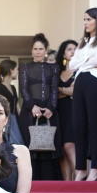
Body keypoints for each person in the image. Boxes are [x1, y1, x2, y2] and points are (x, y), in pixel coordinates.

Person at [67, 9, 97, 181]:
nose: (85, 23)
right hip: (80, 81)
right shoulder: (83, 41)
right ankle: (81, 169)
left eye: (88, 19)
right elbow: (72, 65)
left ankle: (95, 167)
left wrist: (86, 63)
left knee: (95, 125)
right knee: (78, 125)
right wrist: (89, 62)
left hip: (96, 82)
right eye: (84, 19)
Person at [18, 34, 60, 181]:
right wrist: (32, 107)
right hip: (30, 111)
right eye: (35, 49)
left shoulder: (53, 68)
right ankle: (30, 181)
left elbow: (54, 89)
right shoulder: (25, 67)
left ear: (46, 50)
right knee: (31, 146)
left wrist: (51, 108)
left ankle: (49, 183)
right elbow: (23, 89)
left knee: (48, 145)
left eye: (40, 49)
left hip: (49, 112)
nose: (37, 51)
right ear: (31, 50)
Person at [55, 40, 78, 181]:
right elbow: (52, 92)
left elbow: (75, 91)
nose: (73, 51)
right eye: (69, 49)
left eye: (75, 49)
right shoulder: (57, 71)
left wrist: (60, 90)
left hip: (73, 111)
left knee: (69, 145)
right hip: (59, 112)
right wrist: (66, 91)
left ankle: (80, 178)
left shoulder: (80, 70)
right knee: (61, 150)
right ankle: (67, 183)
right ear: (64, 52)